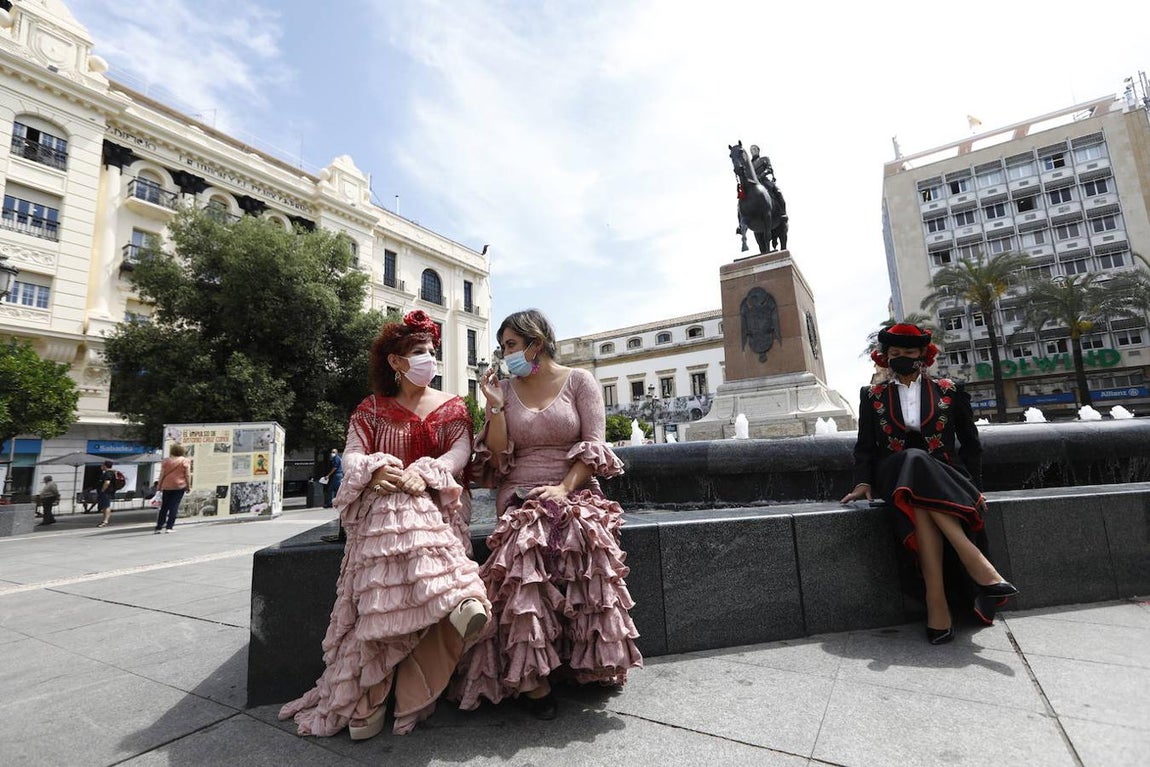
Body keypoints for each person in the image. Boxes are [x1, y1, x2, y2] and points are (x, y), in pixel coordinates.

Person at [280, 310, 489, 740]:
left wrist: (426, 474)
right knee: (393, 494)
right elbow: (353, 454)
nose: (429, 359)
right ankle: (457, 596)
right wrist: (376, 470)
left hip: (441, 511)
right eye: (418, 352)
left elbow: (459, 457)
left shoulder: (452, 407)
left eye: (431, 351)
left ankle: (371, 702)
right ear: (395, 361)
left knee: (404, 506)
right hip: (381, 519)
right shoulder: (370, 409)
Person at [453, 309, 642, 720]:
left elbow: (594, 446)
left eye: (511, 346)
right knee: (526, 541)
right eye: (503, 347)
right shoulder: (504, 387)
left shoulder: (579, 381)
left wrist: (562, 488)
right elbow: (500, 455)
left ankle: (586, 660)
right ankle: (531, 678)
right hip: (519, 487)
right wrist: (497, 409)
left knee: (585, 534)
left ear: (536, 343)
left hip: (573, 483)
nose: (505, 356)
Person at [840, 323, 1018, 644]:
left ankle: (937, 605)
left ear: (923, 354)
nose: (901, 358)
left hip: (942, 475)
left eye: (908, 353)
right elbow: (865, 446)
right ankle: (978, 565)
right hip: (891, 473)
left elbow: (970, 443)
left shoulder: (951, 390)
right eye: (894, 354)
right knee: (912, 459)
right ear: (885, 356)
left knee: (920, 494)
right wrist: (862, 482)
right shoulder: (873, 395)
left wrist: (973, 487)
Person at [154, 444, 192, 534]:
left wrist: (159, 486)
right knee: (174, 506)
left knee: (164, 507)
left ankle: (159, 527)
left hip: (166, 486)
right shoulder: (185, 461)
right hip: (179, 485)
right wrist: (188, 485)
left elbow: (162, 474)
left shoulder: (166, 461)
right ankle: (169, 527)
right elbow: (187, 474)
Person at [97, 460, 116, 528]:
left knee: (106, 506)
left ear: (105, 465)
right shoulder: (110, 473)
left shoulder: (108, 473)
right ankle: (104, 520)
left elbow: (107, 482)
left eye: (102, 465)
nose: (101, 466)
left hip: (106, 492)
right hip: (107, 492)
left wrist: (102, 490)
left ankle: (105, 521)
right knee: (105, 506)